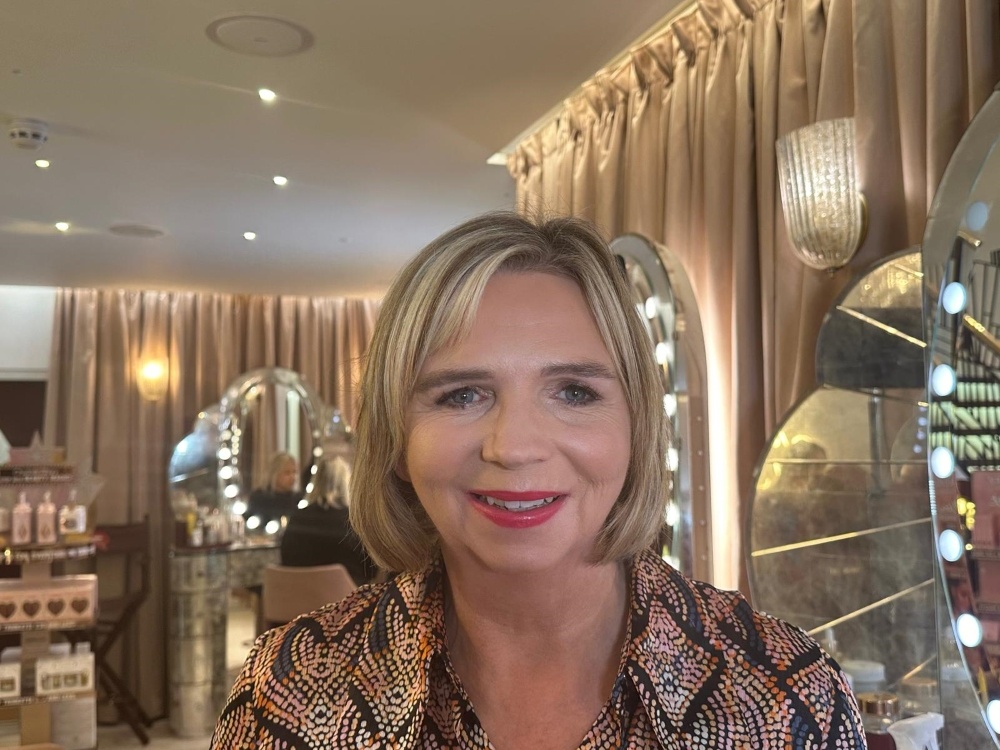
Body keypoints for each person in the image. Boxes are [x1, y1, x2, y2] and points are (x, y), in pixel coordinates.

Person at [212, 212, 863, 748]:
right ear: (397, 441)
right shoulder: (289, 690)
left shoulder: (785, 698)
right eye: (461, 395)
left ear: (636, 426)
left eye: (574, 392)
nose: (514, 447)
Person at [279, 455, 378, 585]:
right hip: (348, 601)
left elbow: (286, 561)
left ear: (316, 482)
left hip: (299, 601)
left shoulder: (298, 518)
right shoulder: (354, 520)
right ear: (346, 482)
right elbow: (371, 570)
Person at [244, 451, 301, 533]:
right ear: (275, 473)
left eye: (294, 472)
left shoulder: (298, 499)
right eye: (287, 473)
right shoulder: (259, 497)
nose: (293, 477)